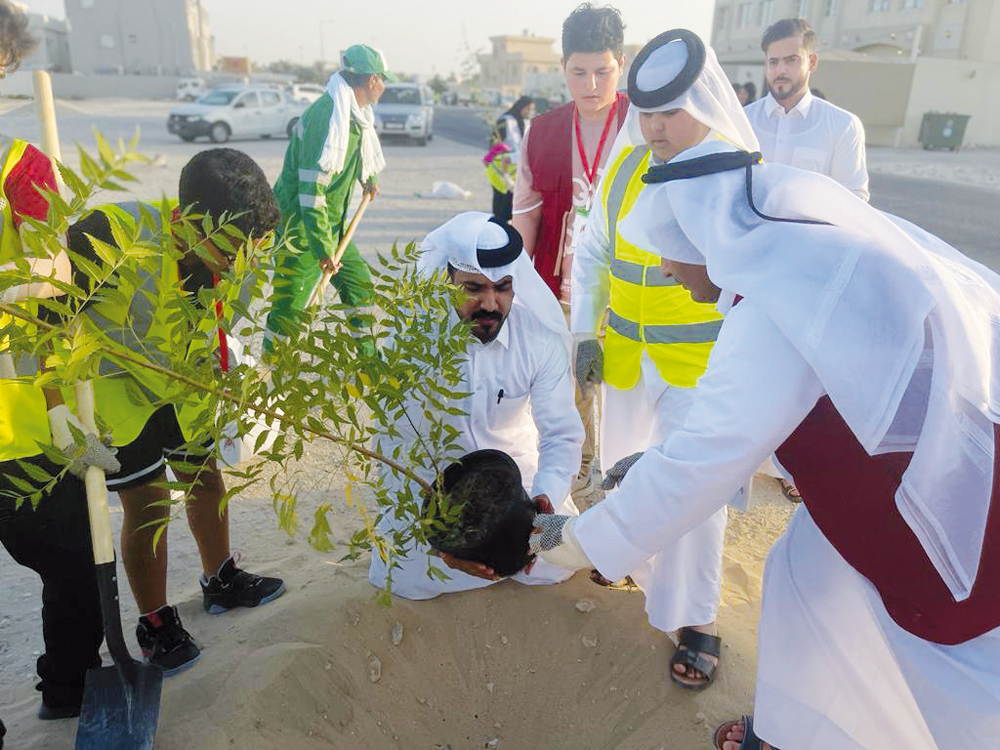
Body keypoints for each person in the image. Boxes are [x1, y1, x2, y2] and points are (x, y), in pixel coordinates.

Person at [524, 29, 1000, 750]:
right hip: (900, 468)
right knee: (803, 573)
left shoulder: (769, 314)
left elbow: (705, 463)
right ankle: (785, 732)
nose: (676, 277)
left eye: (674, 260)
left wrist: (571, 543)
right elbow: (738, 431)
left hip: (935, 504)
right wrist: (644, 469)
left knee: (958, 680)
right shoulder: (791, 240)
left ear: (708, 236)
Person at [569, 28, 762, 689]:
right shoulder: (624, 168)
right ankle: (639, 564)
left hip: (701, 369)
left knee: (694, 491)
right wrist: (582, 335)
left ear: (703, 102)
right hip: (625, 361)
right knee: (631, 476)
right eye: (646, 111)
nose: (652, 125)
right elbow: (593, 253)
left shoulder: (736, 174)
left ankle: (696, 617)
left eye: (668, 110)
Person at [68, 149, 286, 675]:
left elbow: (224, 311)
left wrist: (229, 352)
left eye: (250, 251)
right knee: (149, 504)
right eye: (231, 251)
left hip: (184, 380)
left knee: (205, 480)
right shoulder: (108, 236)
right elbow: (47, 315)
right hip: (118, 387)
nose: (242, 265)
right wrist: (63, 418)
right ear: (187, 223)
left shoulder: (245, 251)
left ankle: (220, 579)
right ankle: (156, 622)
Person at [0, 0, 117, 721]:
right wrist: (57, 412)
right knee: (73, 553)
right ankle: (69, 686)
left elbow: (39, 311)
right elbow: (44, 312)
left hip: (20, 426)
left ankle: (70, 686)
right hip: (18, 436)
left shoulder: (21, 172)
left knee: (71, 552)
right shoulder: (22, 173)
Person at [369, 211, 584, 599]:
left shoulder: (539, 340)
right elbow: (393, 441)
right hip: (435, 481)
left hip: (516, 477)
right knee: (401, 572)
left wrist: (543, 504)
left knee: (554, 560)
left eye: (502, 288)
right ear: (447, 282)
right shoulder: (412, 341)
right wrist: (440, 540)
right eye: (473, 289)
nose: (490, 303)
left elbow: (561, 437)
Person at [511, 3, 629, 497]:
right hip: (561, 284)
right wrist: (514, 282)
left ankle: (622, 469)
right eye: (579, 72)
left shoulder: (643, 125)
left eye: (603, 71)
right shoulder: (543, 131)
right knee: (571, 379)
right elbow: (526, 213)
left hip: (626, 285)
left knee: (621, 381)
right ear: (563, 68)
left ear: (620, 65)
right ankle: (579, 462)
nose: (592, 84)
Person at [264, 44, 393, 354]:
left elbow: (357, 157)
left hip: (330, 224)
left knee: (359, 287)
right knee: (292, 306)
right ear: (372, 80)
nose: (384, 87)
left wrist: (369, 178)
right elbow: (311, 192)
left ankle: (369, 363)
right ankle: (269, 378)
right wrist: (323, 249)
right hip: (301, 229)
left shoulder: (355, 114)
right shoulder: (328, 118)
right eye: (383, 80)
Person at [744, 18, 869, 201]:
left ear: (812, 62)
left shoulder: (842, 126)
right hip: (751, 229)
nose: (781, 70)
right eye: (773, 62)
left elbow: (854, 200)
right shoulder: (741, 121)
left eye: (791, 61)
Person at [489, 95, 535, 223]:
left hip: (517, 166)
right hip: (503, 164)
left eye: (530, 109)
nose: (528, 112)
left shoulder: (527, 122)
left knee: (514, 198)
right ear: (521, 106)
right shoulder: (505, 121)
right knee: (501, 197)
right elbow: (495, 143)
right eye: (527, 109)